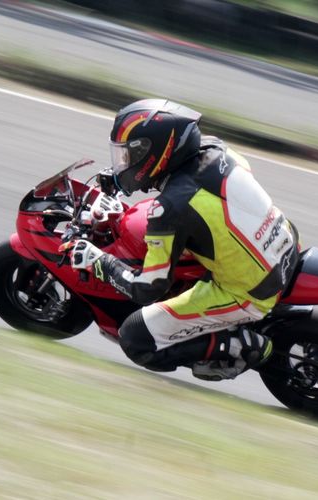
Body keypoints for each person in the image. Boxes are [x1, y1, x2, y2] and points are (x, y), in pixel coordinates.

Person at [70, 99, 299, 380]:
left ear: (155, 152)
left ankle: (244, 346)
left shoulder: (169, 209)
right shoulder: (217, 148)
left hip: (250, 291)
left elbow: (147, 288)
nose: (125, 164)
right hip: (285, 243)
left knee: (135, 338)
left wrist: (100, 262)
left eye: (130, 155)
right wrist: (118, 178)